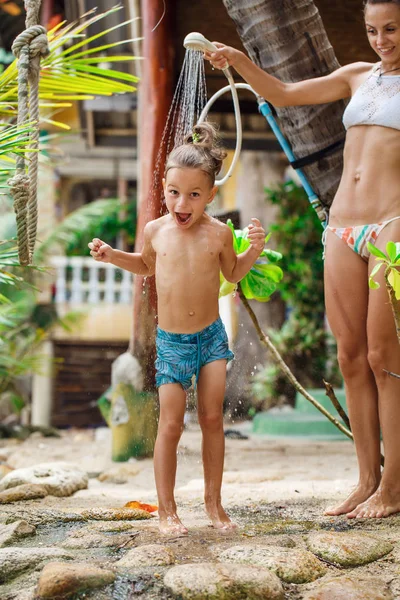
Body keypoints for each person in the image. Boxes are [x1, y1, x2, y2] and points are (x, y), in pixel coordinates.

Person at [206, 0, 400, 519]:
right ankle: (366, 479)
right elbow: (285, 93)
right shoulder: (359, 76)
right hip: (341, 225)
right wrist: (238, 62)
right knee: (349, 356)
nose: (382, 39)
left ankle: (394, 489)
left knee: (386, 360)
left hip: (392, 226)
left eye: (392, 29)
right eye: (373, 30)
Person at [88, 122, 266, 534]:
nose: (181, 203)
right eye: (173, 192)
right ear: (164, 187)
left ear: (211, 196)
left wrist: (253, 250)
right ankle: (167, 510)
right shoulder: (156, 231)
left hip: (211, 339)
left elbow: (233, 274)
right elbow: (146, 266)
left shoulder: (220, 234)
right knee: (170, 423)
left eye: (193, 195)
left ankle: (214, 505)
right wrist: (114, 255)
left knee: (211, 419)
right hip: (171, 344)